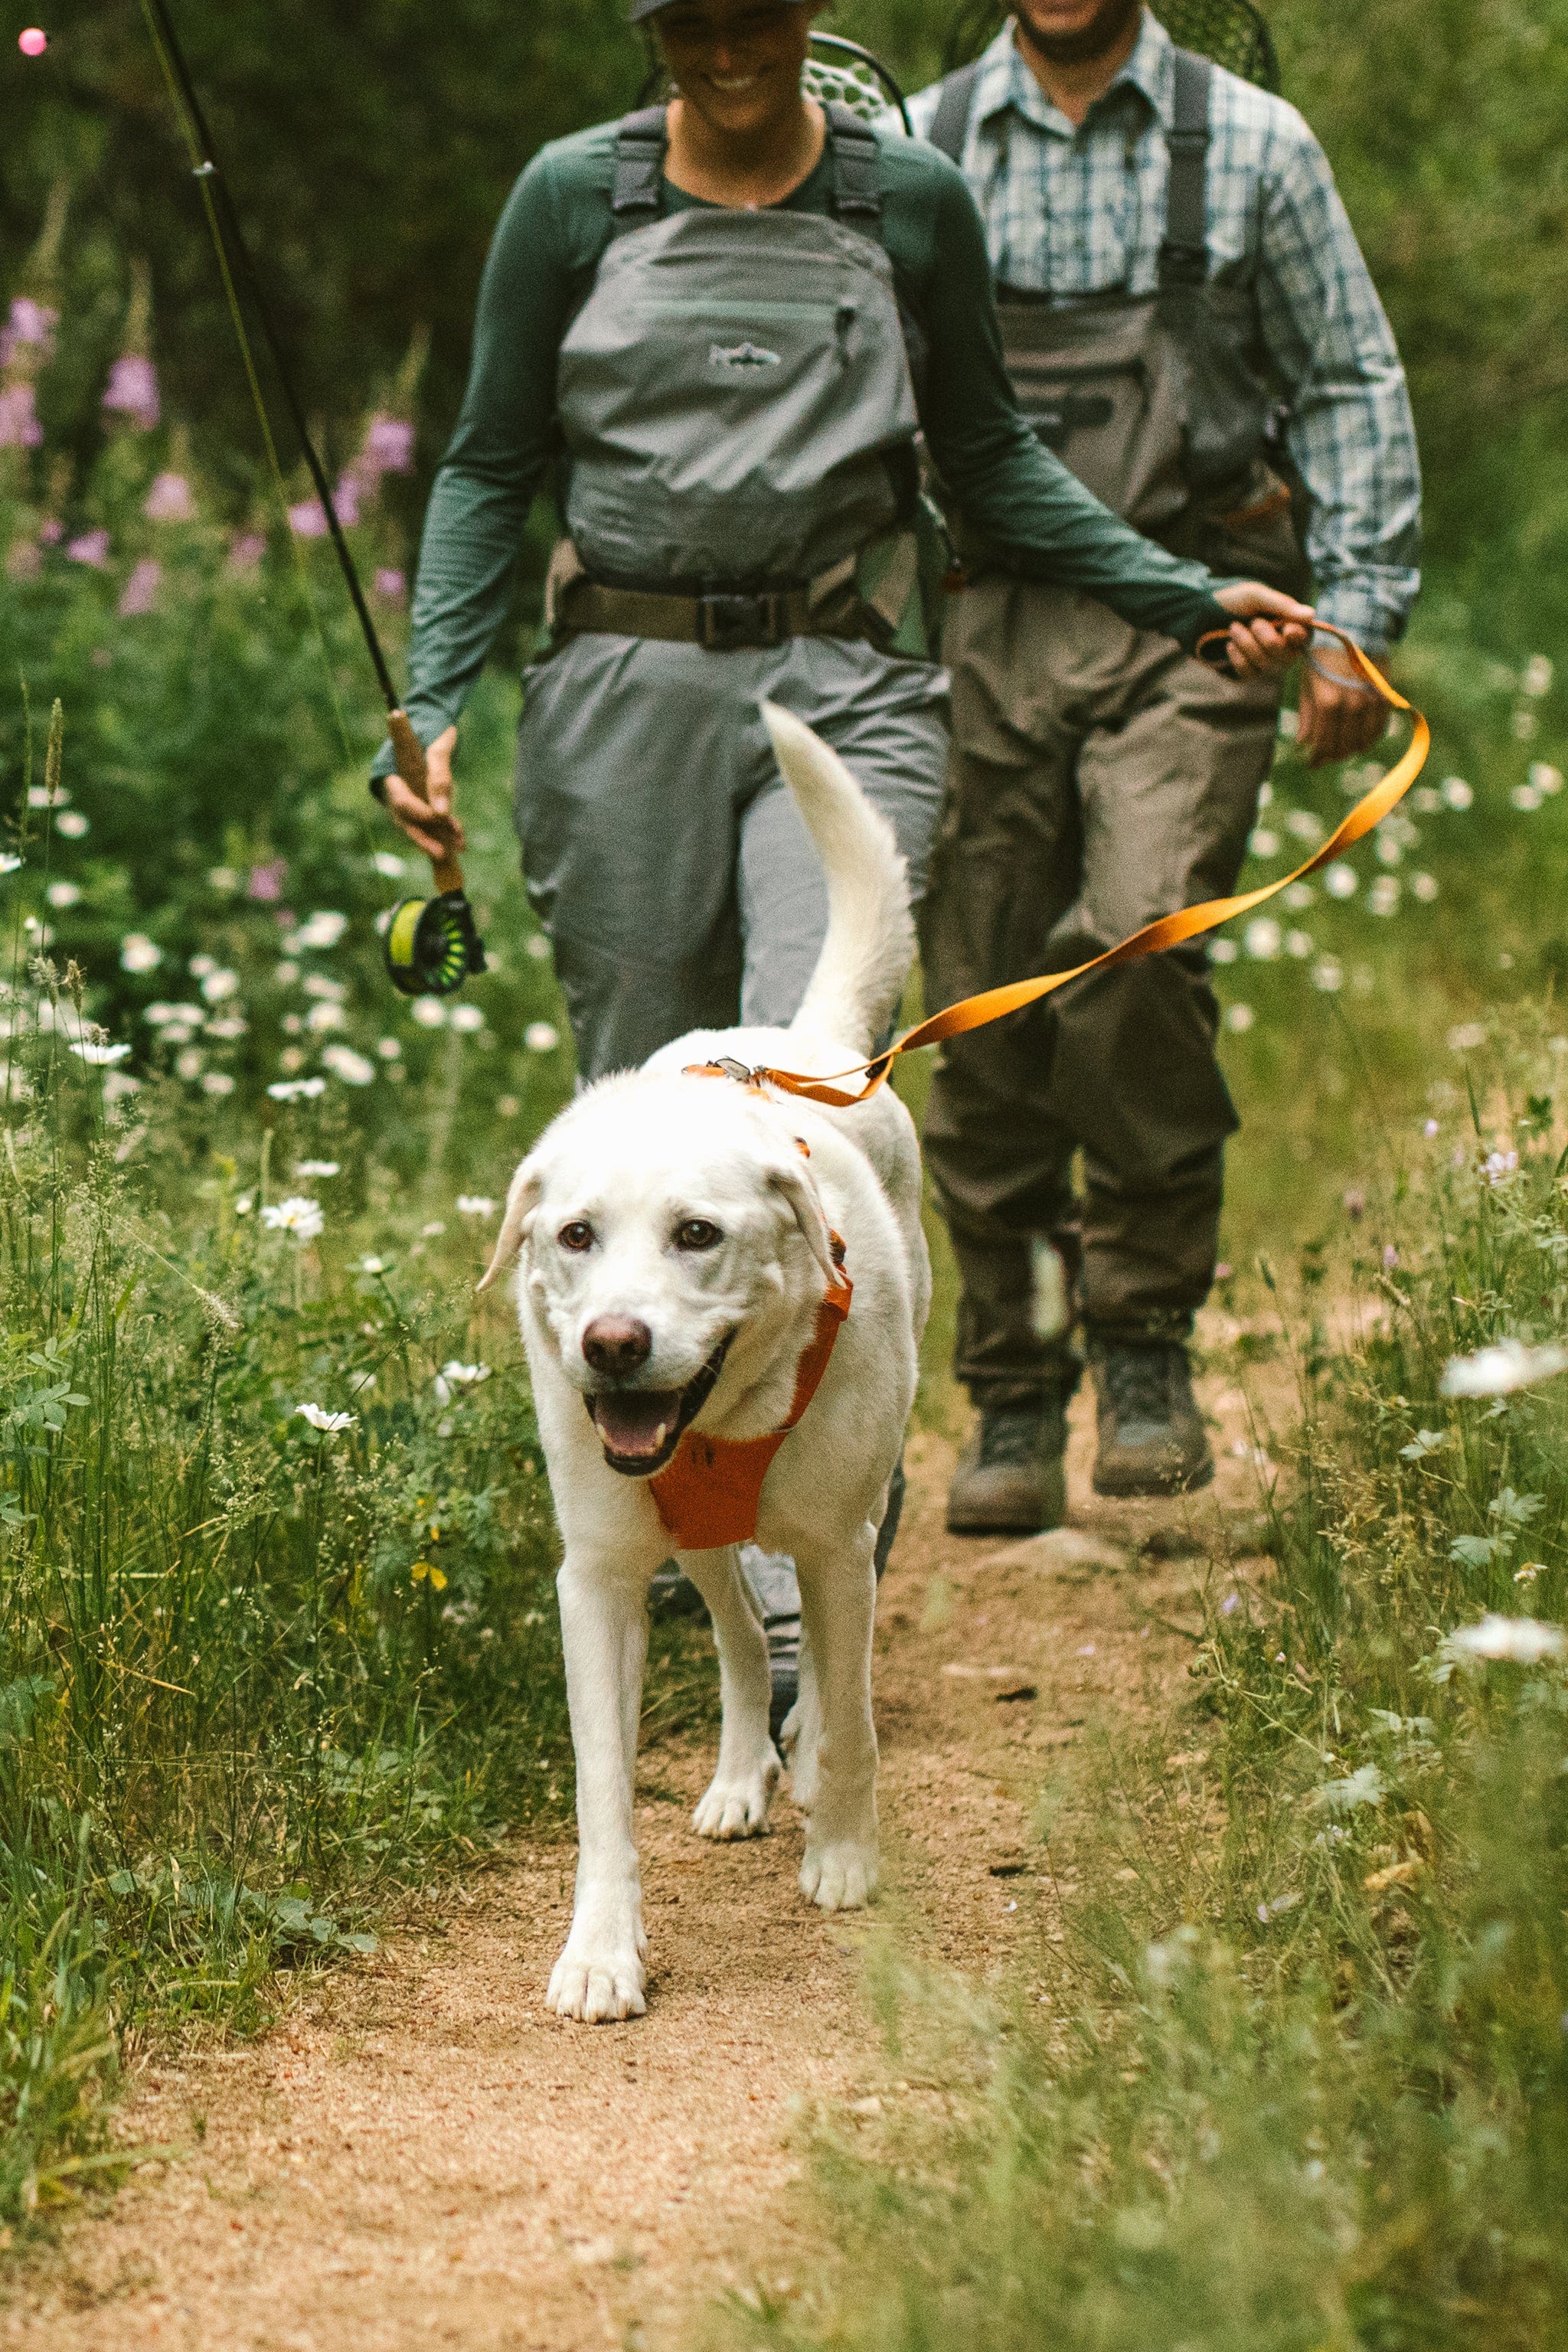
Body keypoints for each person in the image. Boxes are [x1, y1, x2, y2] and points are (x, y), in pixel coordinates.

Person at [371, 0, 1312, 1712]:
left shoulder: (910, 204)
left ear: (806, 18)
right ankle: (697, 1579)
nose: (724, 45)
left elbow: (991, 465)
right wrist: (428, 698)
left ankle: (817, 1620)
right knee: (647, 1138)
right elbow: (490, 462)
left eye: (755, 12)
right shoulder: (569, 203)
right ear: (651, 30)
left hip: (845, 682)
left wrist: (1183, 595)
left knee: (804, 1102)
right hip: (617, 693)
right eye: (689, 18)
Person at [906, 0, 1420, 1533]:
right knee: (980, 984)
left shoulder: (1256, 146)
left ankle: (1141, 1348)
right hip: (974, 620)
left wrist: (1356, 622)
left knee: (1135, 942)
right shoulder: (917, 149)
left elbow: (1348, 383)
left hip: (1211, 620)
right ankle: (1012, 1383)